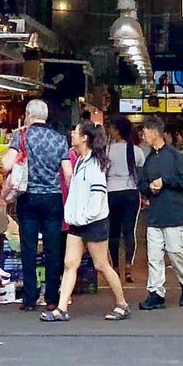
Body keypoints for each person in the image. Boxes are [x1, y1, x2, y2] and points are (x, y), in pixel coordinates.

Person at [42, 119, 129, 322]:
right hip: (77, 222)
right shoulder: (80, 159)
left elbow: (97, 196)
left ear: (84, 138)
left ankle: (122, 303)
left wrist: (83, 217)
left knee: (102, 265)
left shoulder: (94, 164)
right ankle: (61, 308)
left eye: (76, 132)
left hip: (93, 223)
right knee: (69, 263)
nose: (72, 134)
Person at [3, 99, 70, 312]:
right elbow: (67, 173)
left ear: (28, 115)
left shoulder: (21, 136)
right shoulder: (60, 139)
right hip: (53, 199)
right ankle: (52, 297)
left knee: (29, 248)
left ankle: (30, 298)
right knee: (52, 249)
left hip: (28, 198)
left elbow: (6, 164)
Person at [138, 115, 183, 310]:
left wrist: (164, 182)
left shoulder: (175, 155)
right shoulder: (149, 158)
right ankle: (155, 292)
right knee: (153, 257)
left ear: (155, 132)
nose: (143, 136)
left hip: (173, 214)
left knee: (176, 254)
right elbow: (142, 183)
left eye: (145, 132)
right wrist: (148, 188)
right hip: (154, 215)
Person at [105, 114, 143, 281]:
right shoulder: (136, 151)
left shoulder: (107, 150)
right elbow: (142, 173)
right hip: (131, 193)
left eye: (112, 128)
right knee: (129, 231)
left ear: (117, 131)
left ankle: (114, 267)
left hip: (111, 193)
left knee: (113, 232)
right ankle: (128, 266)